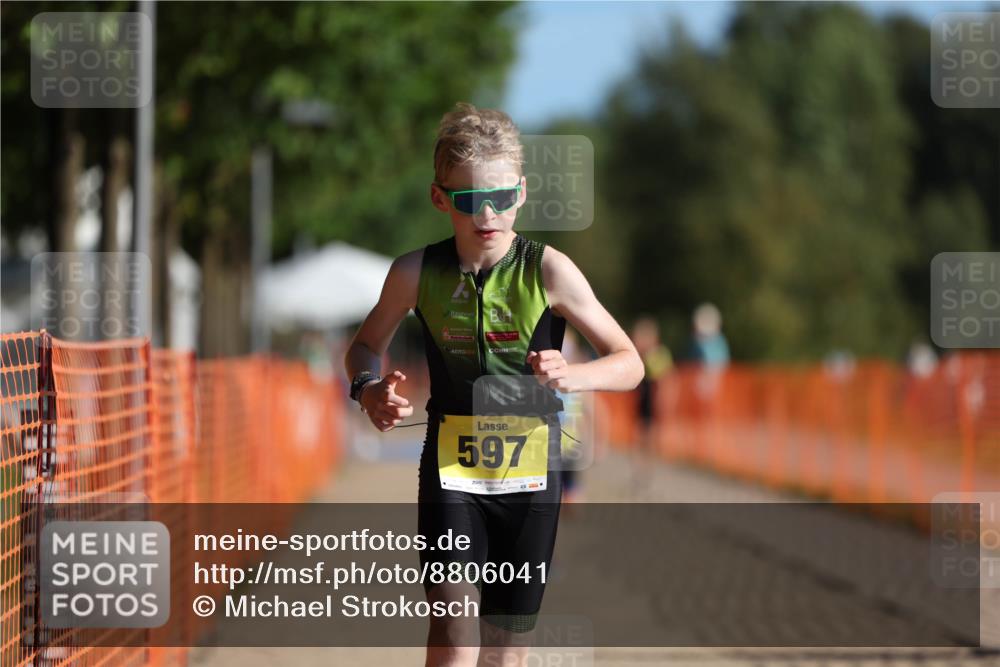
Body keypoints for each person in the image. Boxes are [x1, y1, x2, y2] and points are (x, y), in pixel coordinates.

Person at [344, 103, 643, 667]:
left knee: (505, 653)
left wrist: (573, 376)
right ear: (440, 199)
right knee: (457, 637)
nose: (488, 213)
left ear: (522, 194)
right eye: (469, 200)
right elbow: (362, 347)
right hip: (451, 472)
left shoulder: (548, 269)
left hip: (530, 482)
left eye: (502, 198)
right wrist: (367, 389)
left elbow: (630, 362)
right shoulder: (415, 273)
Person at [630, 316, 672, 492]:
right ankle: (641, 473)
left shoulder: (657, 356)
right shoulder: (642, 355)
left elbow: (665, 382)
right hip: (642, 401)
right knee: (641, 439)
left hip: (652, 404)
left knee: (648, 440)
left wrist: (663, 404)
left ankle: (646, 473)